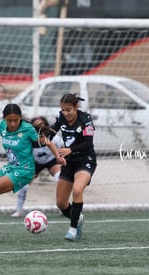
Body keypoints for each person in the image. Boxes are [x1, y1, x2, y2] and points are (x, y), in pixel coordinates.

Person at [0, 103, 66, 244]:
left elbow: (47, 142)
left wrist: (58, 157)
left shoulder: (27, 129)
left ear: (20, 118)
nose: (13, 123)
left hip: (24, 171)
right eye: (9, 120)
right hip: (10, 167)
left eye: (16, 120)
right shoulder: (2, 126)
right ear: (4, 119)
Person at [48, 93, 97, 241]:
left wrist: (70, 150)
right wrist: (40, 134)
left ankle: (73, 228)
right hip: (69, 163)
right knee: (61, 203)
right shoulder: (61, 118)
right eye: (63, 110)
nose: (65, 113)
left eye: (68, 110)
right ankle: (77, 218)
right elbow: (49, 135)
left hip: (85, 160)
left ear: (76, 107)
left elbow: (88, 143)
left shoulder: (85, 119)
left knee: (77, 190)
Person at [10, 116, 64, 218]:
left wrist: (62, 159)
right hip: (34, 163)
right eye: (37, 126)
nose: (40, 129)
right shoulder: (29, 139)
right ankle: (19, 210)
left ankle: (63, 207)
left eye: (42, 125)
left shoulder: (54, 138)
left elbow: (62, 149)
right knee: (24, 185)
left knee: (61, 179)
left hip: (52, 161)